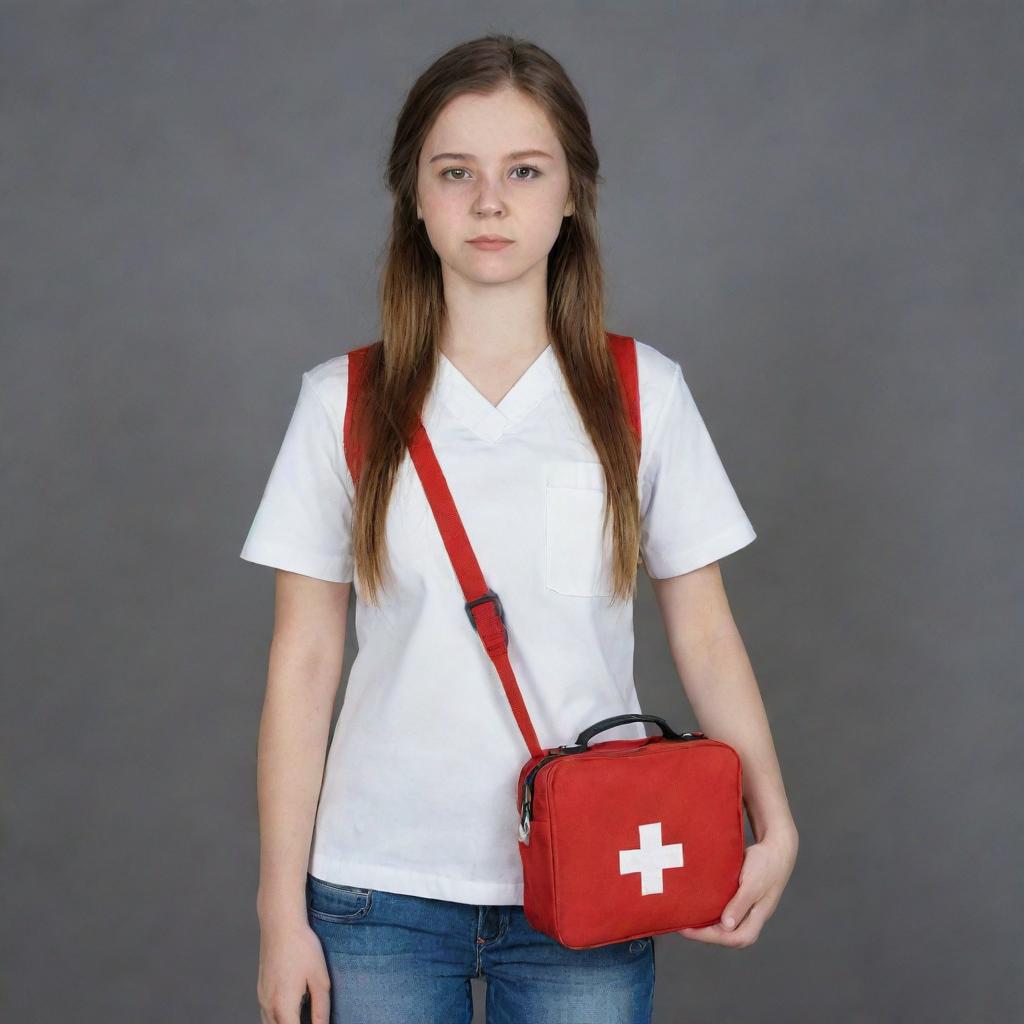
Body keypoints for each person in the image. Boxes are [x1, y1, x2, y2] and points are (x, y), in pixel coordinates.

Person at [241, 33, 798, 1024]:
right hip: (377, 892)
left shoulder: (642, 396)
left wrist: (775, 816)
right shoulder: (343, 405)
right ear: (414, 198)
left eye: (523, 170)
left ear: (570, 193)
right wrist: (279, 911)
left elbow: (705, 630)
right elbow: (304, 662)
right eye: (455, 173)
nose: (489, 201)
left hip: (592, 876)